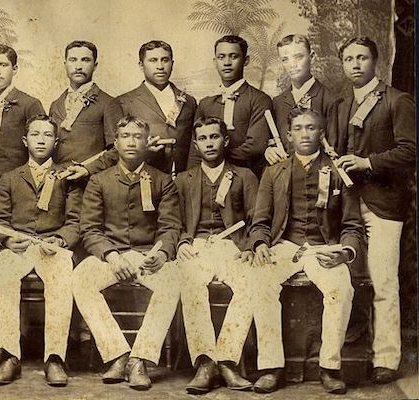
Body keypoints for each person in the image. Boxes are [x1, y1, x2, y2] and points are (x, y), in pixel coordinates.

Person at [247, 107, 364, 395]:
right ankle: (272, 367)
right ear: (288, 135)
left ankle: (329, 367)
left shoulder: (338, 173)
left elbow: (352, 225)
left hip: (324, 247)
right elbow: (259, 222)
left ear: (321, 133)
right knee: (261, 284)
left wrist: (344, 253)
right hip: (285, 246)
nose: (305, 133)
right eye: (298, 128)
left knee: (341, 288)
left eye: (311, 128)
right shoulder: (273, 172)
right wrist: (261, 243)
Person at [72, 115, 181, 391]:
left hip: (147, 254)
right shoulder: (99, 181)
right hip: (112, 255)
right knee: (81, 279)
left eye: (137, 136)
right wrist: (111, 255)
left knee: (172, 281)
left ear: (147, 143)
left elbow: (170, 227)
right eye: (125, 136)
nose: (131, 142)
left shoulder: (162, 181)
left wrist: (162, 253)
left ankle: (140, 359)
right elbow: (90, 229)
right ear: (116, 143)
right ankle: (117, 353)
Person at [335, 36, 416, 384]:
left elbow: (411, 151)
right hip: (347, 206)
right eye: (349, 59)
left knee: (383, 282)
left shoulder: (397, 101)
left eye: (362, 58)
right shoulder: (340, 104)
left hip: (383, 205)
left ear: (376, 62)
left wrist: (367, 161)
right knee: (348, 281)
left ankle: (386, 359)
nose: (355, 64)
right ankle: (350, 356)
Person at [0, 114, 81, 387]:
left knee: (62, 273)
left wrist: (61, 241)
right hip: (19, 244)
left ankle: (54, 358)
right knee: (2, 269)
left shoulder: (67, 177)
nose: (41, 140)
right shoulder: (10, 178)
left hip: (51, 245)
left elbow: (76, 222)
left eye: (48, 135)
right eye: (36, 135)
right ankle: (9, 356)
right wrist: (5, 242)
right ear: (25, 140)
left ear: (56, 142)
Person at [175, 116, 258, 394]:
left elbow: (257, 220)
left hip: (230, 247)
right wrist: (182, 243)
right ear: (196, 145)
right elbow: (173, 222)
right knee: (190, 283)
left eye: (214, 137)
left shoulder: (244, 176)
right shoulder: (184, 180)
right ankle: (205, 362)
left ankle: (227, 360)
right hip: (196, 246)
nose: (208, 143)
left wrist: (249, 248)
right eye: (203, 138)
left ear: (225, 141)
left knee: (249, 283)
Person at [75, 40, 196, 179]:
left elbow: (196, 149)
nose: (160, 66)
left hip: (183, 182)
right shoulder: (122, 103)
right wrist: (87, 169)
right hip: (140, 182)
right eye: (153, 60)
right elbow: (115, 151)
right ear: (141, 65)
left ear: (172, 64)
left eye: (165, 60)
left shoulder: (189, 101)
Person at [194, 35, 272, 177]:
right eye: (221, 57)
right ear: (215, 61)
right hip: (210, 176)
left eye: (234, 56)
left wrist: (214, 157)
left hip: (248, 176)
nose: (227, 62)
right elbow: (195, 150)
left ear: (245, 60)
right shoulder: (206, 103)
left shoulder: (259, 99)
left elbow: (255, 147)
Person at [265, 34, 340, 164]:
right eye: (285, 59)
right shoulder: (277, 102)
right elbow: (272, 139)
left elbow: (334, 148)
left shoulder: (331, 100)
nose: (292, 65)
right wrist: (268, 150)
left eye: (298, 57)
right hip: (284, 175)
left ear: (312, 57)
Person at [0, 44, 45, 181]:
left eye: (3, 65)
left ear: (14, 69)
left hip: (18, 183)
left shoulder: (30, 105)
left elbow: (41, 149)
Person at [49, 40, 122, 169]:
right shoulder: (55, 105)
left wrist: (87, 170)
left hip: (90, 183)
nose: (78, 66)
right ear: (65, 64)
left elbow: (117, 149)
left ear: (95, 65)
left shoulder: (109, 103)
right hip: (57, 181)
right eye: (73, 60)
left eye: (85, 60)